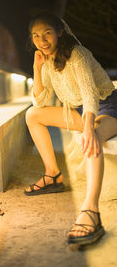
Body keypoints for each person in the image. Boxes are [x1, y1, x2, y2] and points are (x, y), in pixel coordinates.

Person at [24, 12, 117, 246]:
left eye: (47, 33)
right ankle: (53, 175)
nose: (42, 40)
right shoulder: (46, 60)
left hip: (106, 107)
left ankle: (91, 212)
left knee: (93, 136)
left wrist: (87, 128)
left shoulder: (78, 54)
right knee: (32, 115)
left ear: (60, 32)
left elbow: (90, 94)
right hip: (77, 110)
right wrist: (37, 68)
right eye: (36, 35)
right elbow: (40, 102)